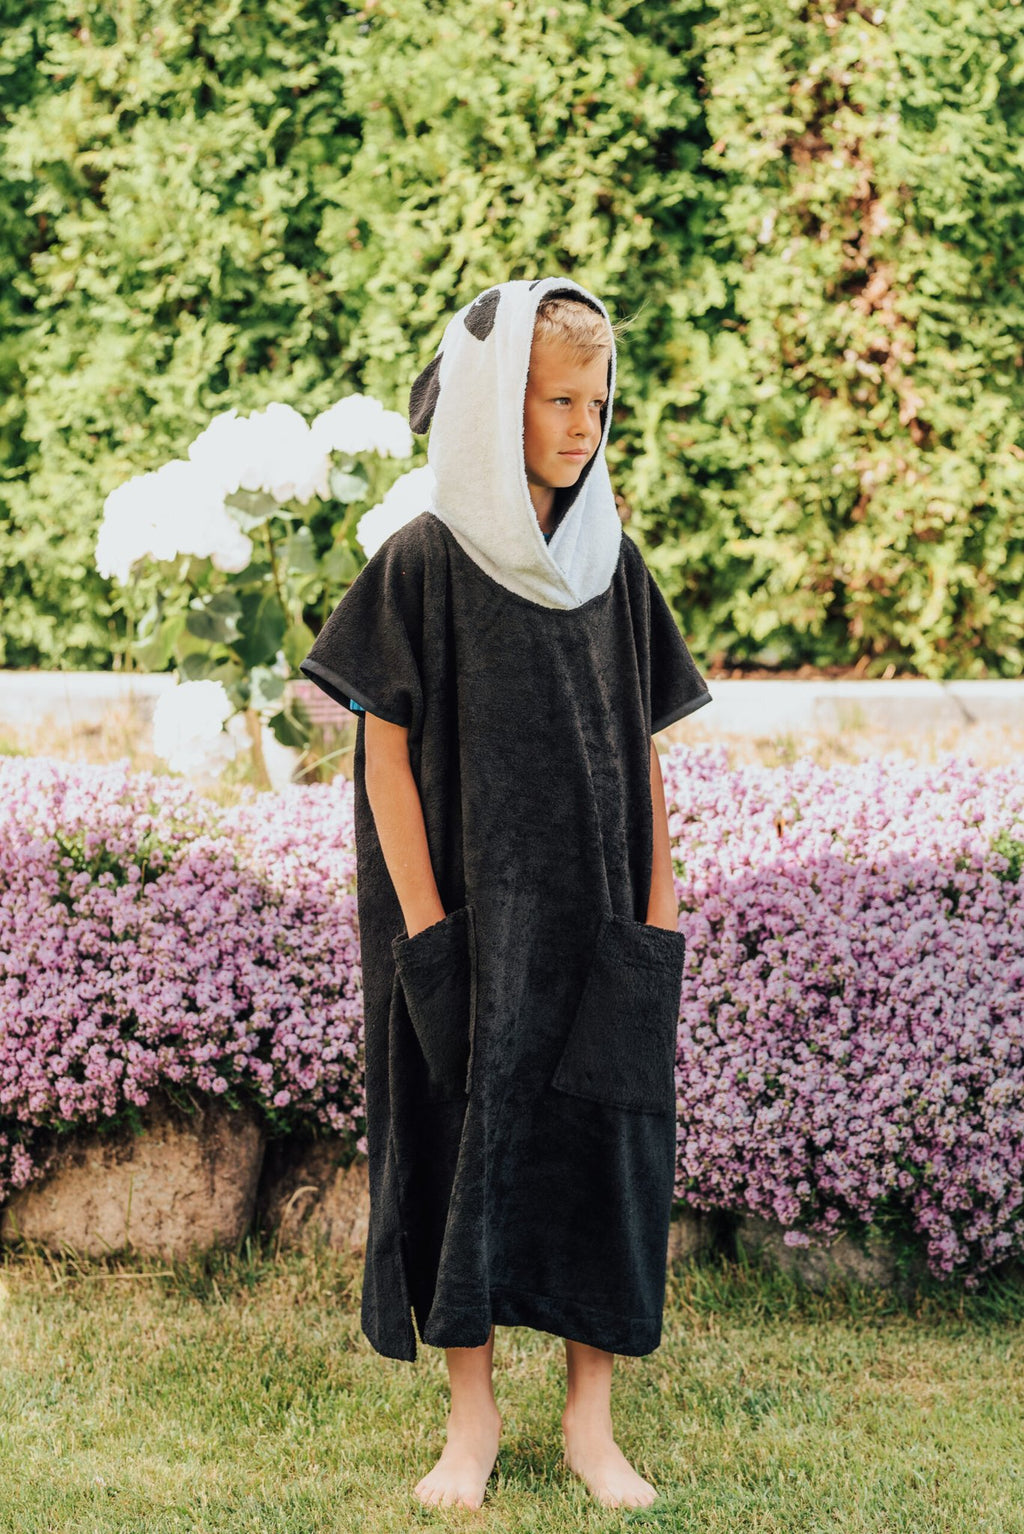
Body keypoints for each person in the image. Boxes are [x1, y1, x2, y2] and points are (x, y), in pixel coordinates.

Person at [299, 276, 712, 1511]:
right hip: (466, 927)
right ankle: (469, 1420)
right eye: (554, 400)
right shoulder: (422, 560)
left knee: (603, 1149)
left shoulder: (611, 566)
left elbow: (639, 745)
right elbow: (382, 756)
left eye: (597, 401)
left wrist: (659, 909)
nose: (582, 425)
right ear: (491, 409)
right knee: (462, 1146)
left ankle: (590, 1424)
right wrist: (429, 930)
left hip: (599, 928)